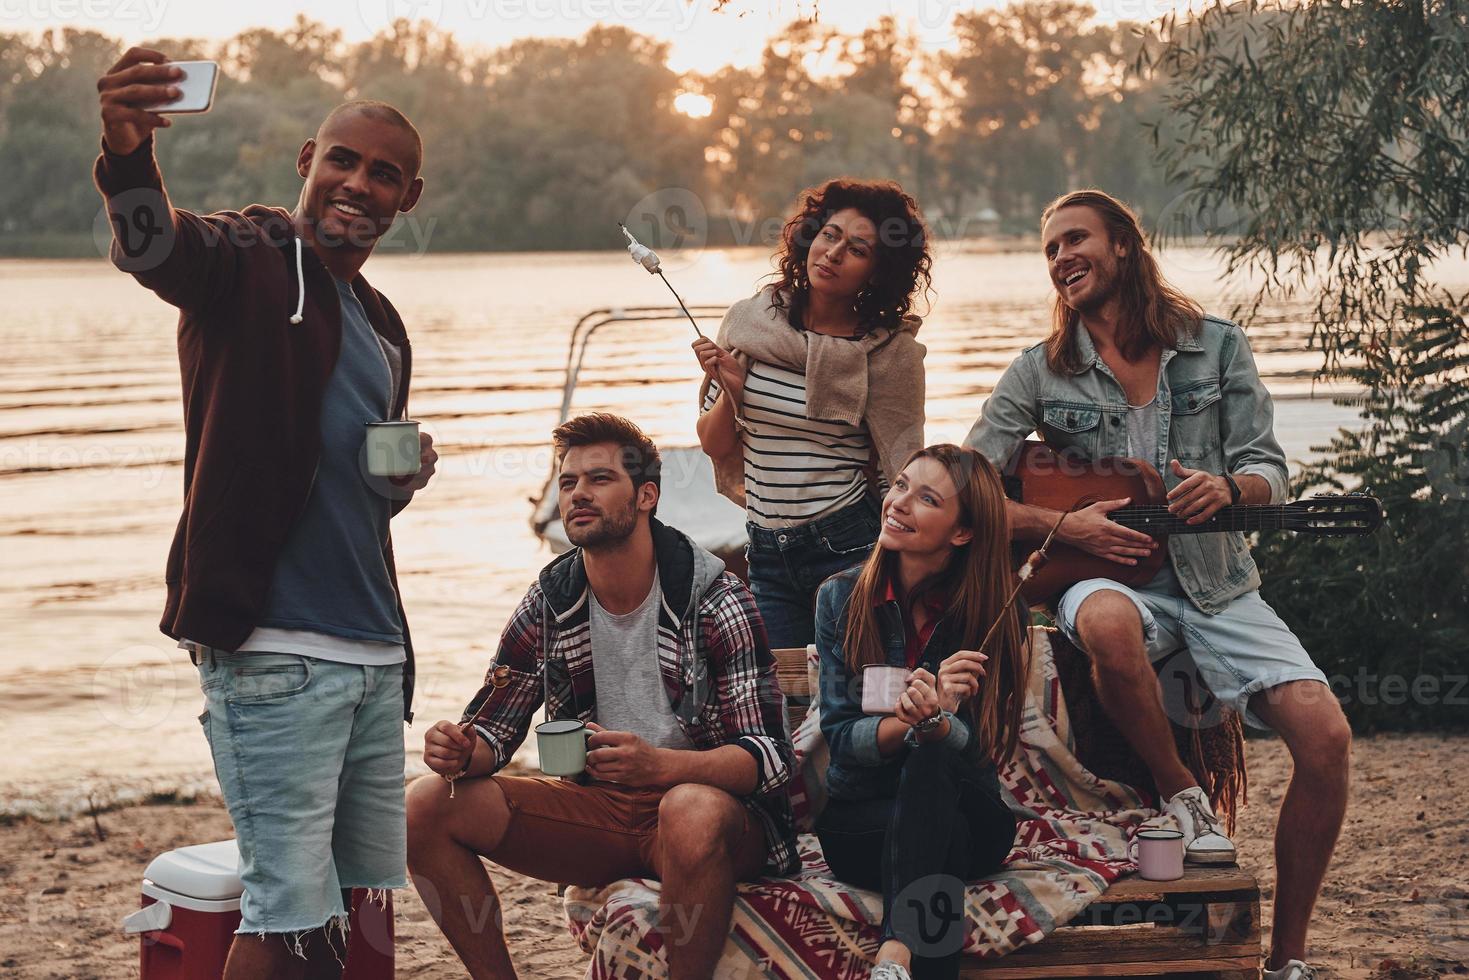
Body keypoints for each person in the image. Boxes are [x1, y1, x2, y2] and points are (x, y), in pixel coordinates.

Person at [94, 49, 436, 979]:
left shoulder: (382, 323)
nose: (357, 184)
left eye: (383, 174)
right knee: (284, 917)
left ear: (407, 198)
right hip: (275, 651)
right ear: (305, 159)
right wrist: (127, 156)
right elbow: (155, 247)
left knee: (362, 912)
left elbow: (335, 479)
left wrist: (399, 480)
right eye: (343, 159)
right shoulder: (246, 257)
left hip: (373, 654)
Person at [967, 189, 1351, 980]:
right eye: (1049, 250)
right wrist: (1067, 529)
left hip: (1217, 582)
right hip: (1104, 575)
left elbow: (1267, 468)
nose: (1061, 259)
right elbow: (969, 488)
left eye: (1075, 240)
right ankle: (1183, 794)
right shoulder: (1037, 372)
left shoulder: (1215, 346)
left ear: (1122, 247)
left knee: (1326, 740)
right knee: (1105, 625)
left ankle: (1286, 957)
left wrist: (1230, 490)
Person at [405, 413, 796, 980]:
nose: (578, 494)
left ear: (646, 496)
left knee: (687, 808)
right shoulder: (551, 599)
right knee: (422, 805)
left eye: (599, 479)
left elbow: (769, 757)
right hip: (601, 815)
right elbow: (494, 729)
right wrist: (459, 750)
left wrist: (659, 765)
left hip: (715, 818)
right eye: (568, 483)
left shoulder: (713, 596)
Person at [814, 445, 1026, 980]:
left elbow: (986, 751)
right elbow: (841, 738)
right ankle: (903, 957)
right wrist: (914, 724)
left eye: (927, 498)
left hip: (977, 818)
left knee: (934, 761)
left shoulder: (997, 612)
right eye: (901, 485)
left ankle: (895, 953)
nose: (900, 503)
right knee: (940, 835)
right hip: (864, 821)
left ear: (962, 532)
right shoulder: (839, 599)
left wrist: (940, 724)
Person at [694, 178, 930, 649]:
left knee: (858, 695)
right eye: (829, 234)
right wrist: (733, 395)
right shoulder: (751, 323)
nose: (834, 253)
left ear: (877, 271)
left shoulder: (889, 355)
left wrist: (901, 567)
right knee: (785, 700)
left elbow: (900, 468)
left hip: (848, 546)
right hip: (765, 551)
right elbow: (714, 444)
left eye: (857, 248)